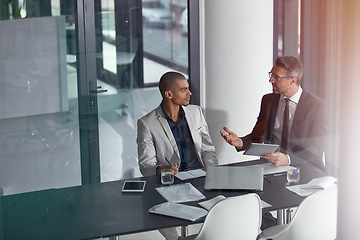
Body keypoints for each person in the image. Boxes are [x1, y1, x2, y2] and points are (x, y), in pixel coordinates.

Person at [220, 56, 328, 229]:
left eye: (276, 77)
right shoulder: (268, 100)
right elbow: (258, 136)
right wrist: (240, 142)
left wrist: (288, 159)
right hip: (272, 167)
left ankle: (287, 230)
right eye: (271, 74)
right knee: (233, 187)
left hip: (304, 168)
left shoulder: (317, 106)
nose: (270, 80)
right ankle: (271, 229)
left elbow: (316, 149)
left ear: (293, 80)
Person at [137, 71, 218, 240]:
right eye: (184, 90)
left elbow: (207, 150)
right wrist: (161, 169)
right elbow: (146, 165)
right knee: (158, 212)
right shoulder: (147, 123)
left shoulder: (196, 112)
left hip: (200, 176)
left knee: (224, 212)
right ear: (169, 94)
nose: (190, 93)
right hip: (172, 181)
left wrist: (214, 173)